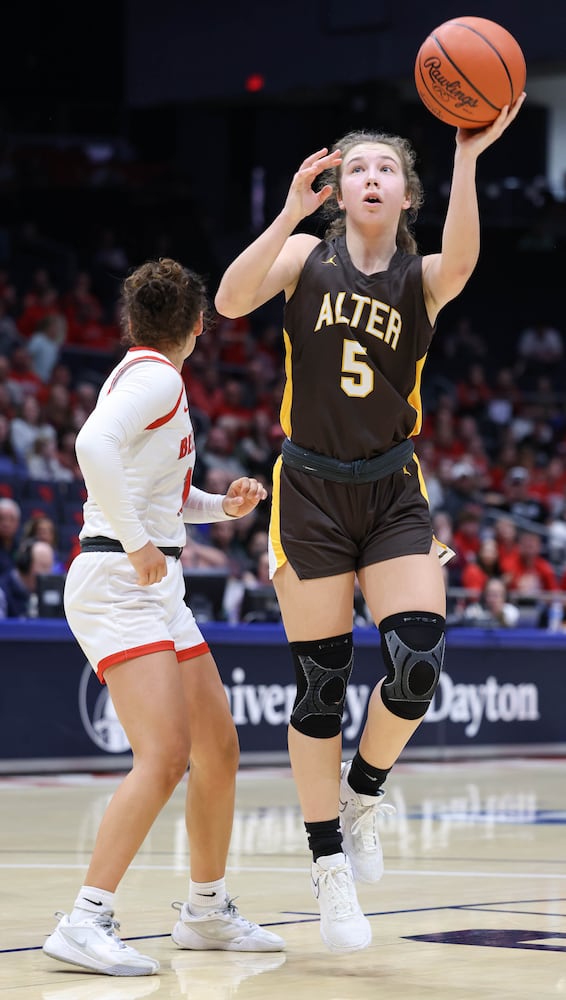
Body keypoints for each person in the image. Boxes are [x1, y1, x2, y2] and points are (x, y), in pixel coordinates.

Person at [214, 100, 524, 954]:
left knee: (417, 665)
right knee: (321, 686)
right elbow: (231, 301)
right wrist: (285, 210)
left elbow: (463, 259)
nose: (372, 177)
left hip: (391, 489)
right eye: (357, 169)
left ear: (404, 193)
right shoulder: (304, 255)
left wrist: (467, 156)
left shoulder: (421, 276)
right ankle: (328, 867)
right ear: (339, 192)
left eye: (386, 168)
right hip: (308, 488)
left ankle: (364, 790)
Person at [43, 257, 285, 978]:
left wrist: (221, 507)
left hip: (153, 581)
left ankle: (205, 911)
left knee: (219, 748)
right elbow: (92, 448)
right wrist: (142, 543)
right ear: (198, 326)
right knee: (166, 755)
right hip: (120, 578)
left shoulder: (142, 375)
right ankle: (84, 920)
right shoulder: (157, 378)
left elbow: (160, 497)